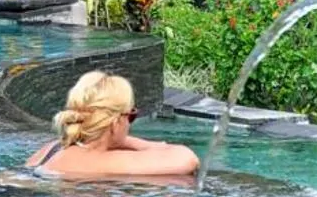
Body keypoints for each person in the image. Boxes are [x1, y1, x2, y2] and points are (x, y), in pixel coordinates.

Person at [25, 72, 198, 180]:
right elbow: (187, 158)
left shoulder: (52, 149)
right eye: (131, 116)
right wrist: (124, 141)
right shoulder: (103, 161)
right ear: (115, 122)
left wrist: (115, 140)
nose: (130, 123)